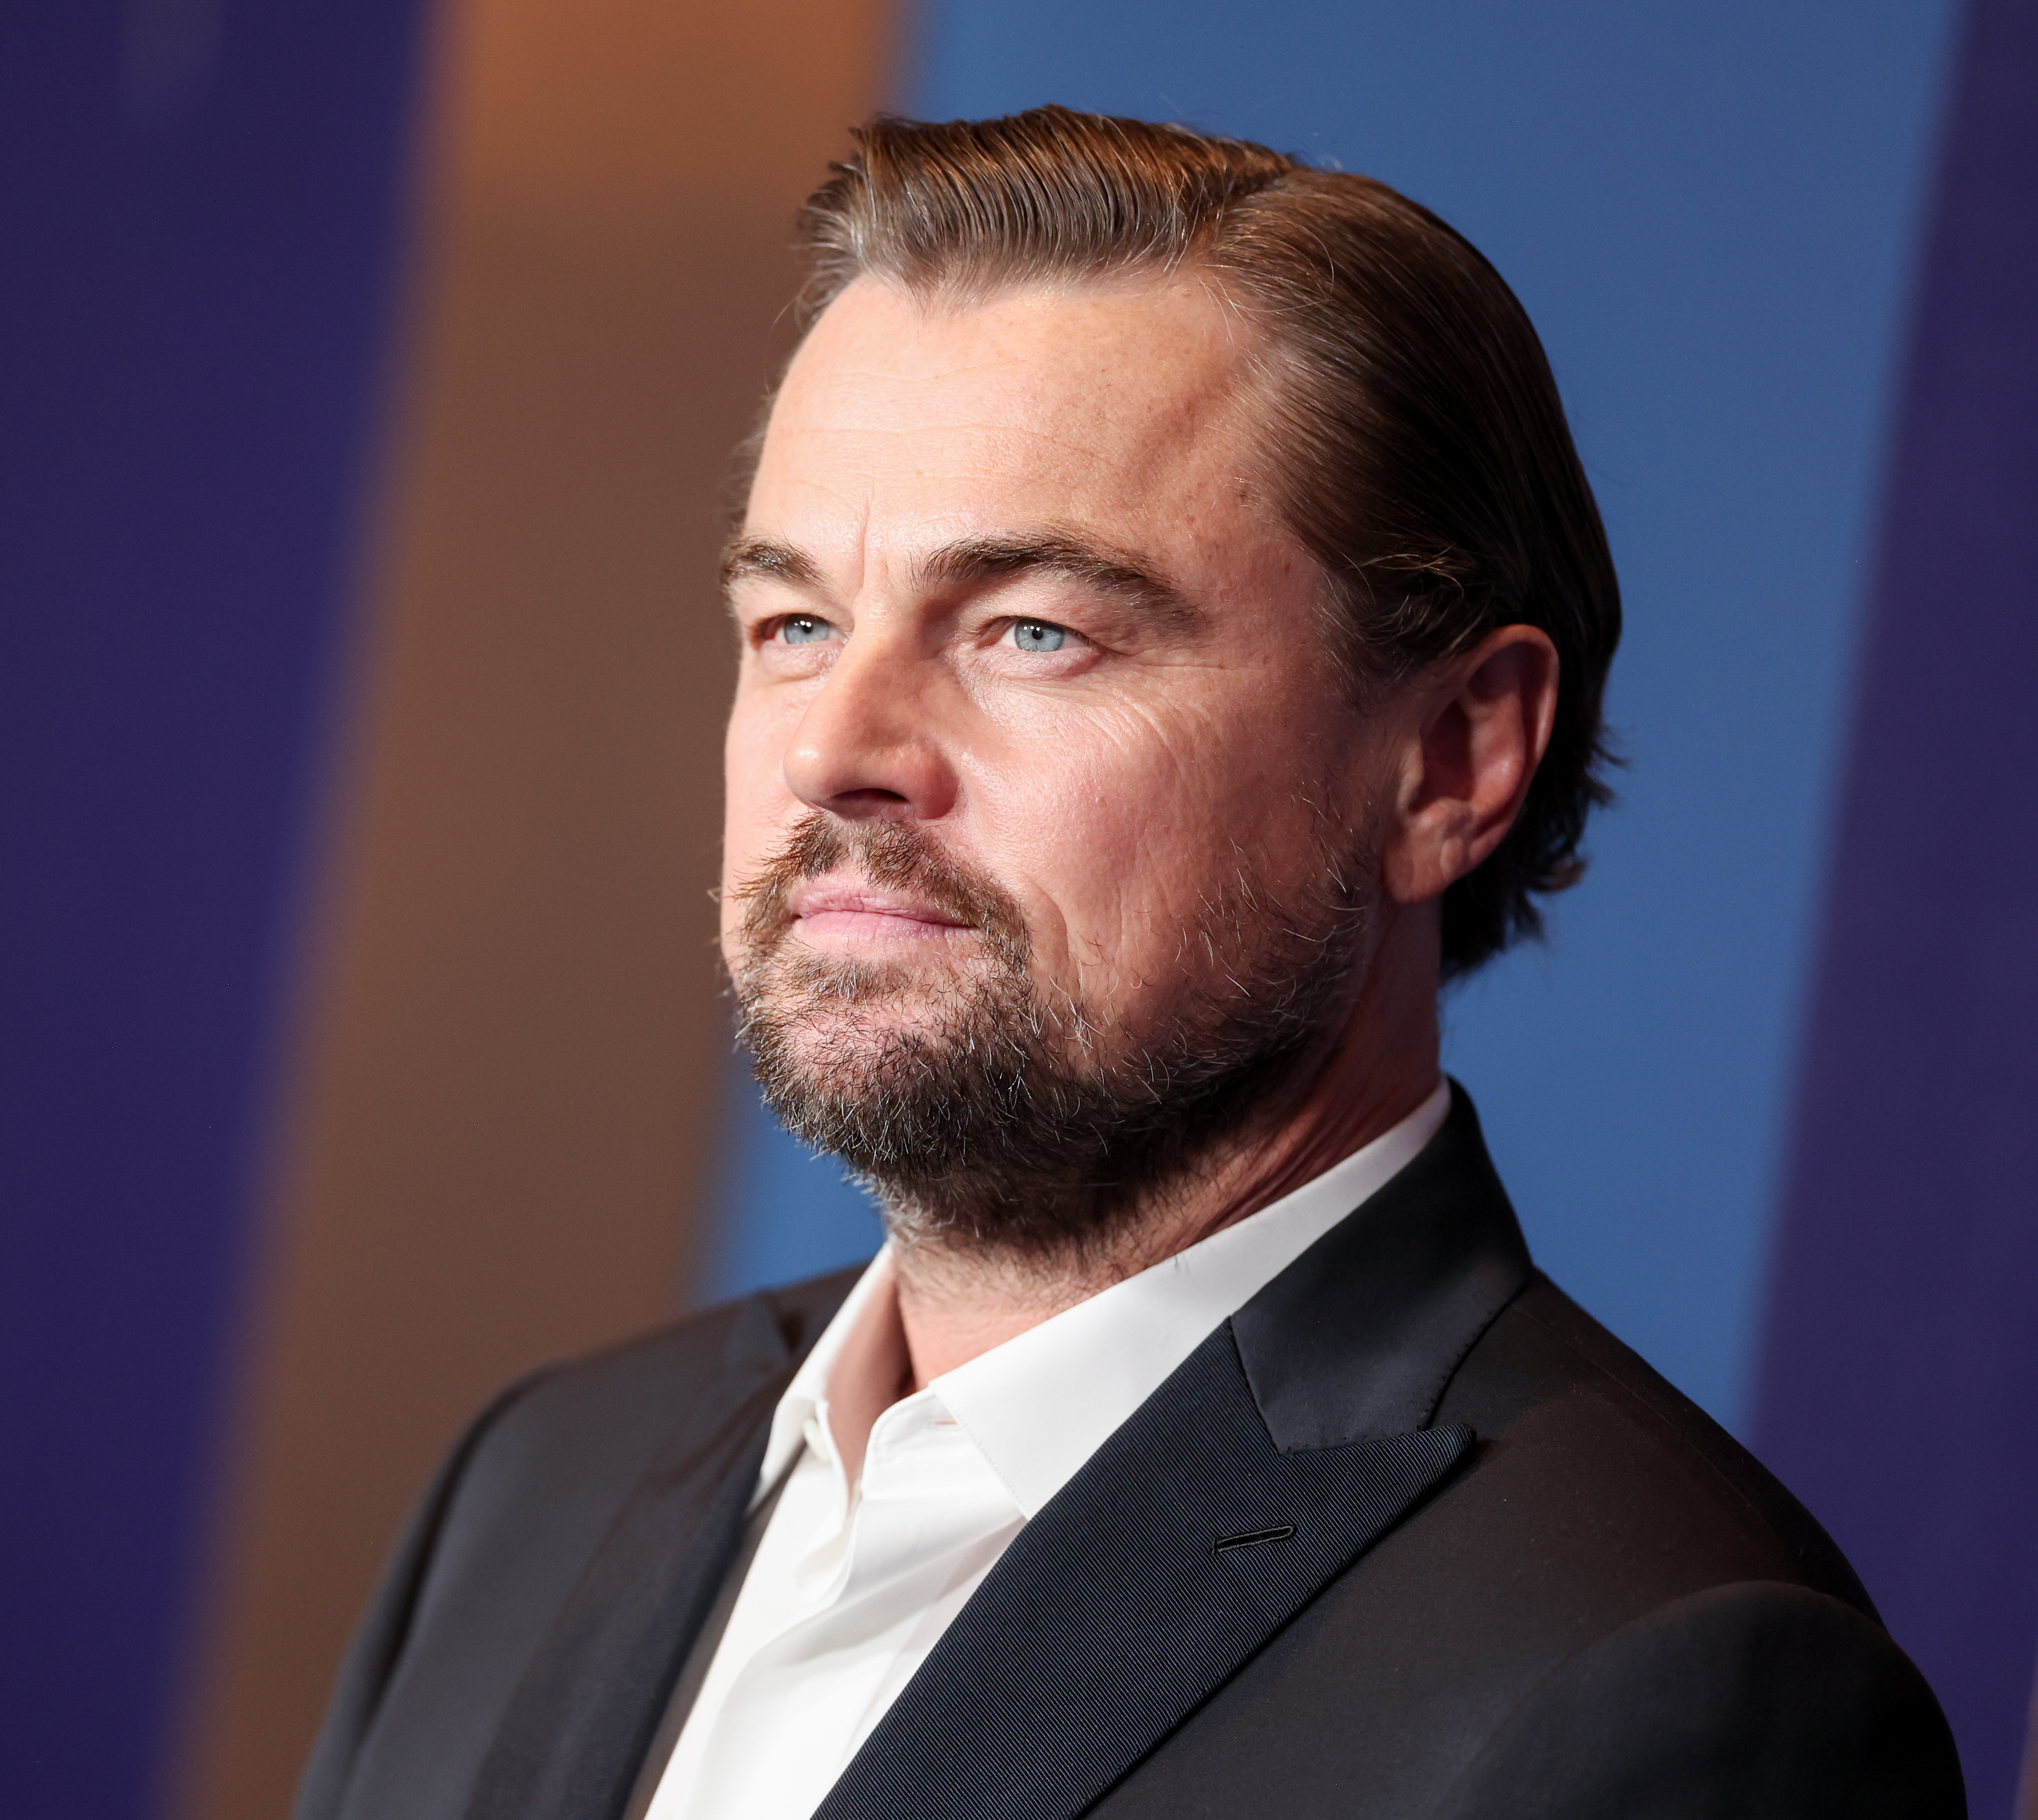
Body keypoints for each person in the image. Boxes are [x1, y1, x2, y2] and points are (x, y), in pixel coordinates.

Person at [291, 108, 1962, 1820]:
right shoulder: (538, 1487)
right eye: (794, 624)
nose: (837, 750)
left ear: (1453, 759)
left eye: (1033, 630)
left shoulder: (1661, 1679)